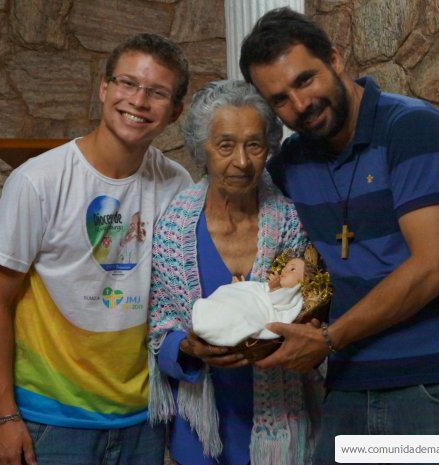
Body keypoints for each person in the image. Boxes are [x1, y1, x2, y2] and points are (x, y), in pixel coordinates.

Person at [239, 7, 439, 463]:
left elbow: (434, 268)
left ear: (335, 59)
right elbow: (285, 256)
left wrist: (328, 339)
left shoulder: (413, 129)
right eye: (279, 99)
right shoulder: (292, 162)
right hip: (347, 382)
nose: (299, 104)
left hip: (436, 384)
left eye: (305, 80)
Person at [0, 33, 192, 465]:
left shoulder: (176, 185)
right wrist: (3, 416)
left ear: (175, 111)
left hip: (142, 416)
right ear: (104, 88)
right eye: (127, 83)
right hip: (52, 419)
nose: (138, 100)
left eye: (157, 92)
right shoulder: (38, 181)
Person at [147, 79, 321, 465]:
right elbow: (159, 331)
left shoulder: (292, 222)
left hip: (282, 421)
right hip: (201, 430)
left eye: (254, 145)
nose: (241, 161)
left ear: (269, 148)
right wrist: (189, 348)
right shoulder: (173, 230)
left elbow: (311, 310)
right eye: (225, 145)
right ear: (202, 149)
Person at [192, 255, 313, 346]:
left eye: (292, 269)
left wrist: (275, 289)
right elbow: (254, 293)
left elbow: (281, 303)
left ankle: (217, 323)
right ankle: (212, 314)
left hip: (255, 310)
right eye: (285, 268)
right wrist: (240, 288)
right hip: (247, 301)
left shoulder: (293, 297)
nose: (284, 271)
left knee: (238, 312)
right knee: (228, 300)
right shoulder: (266, 286)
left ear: (305, 280)